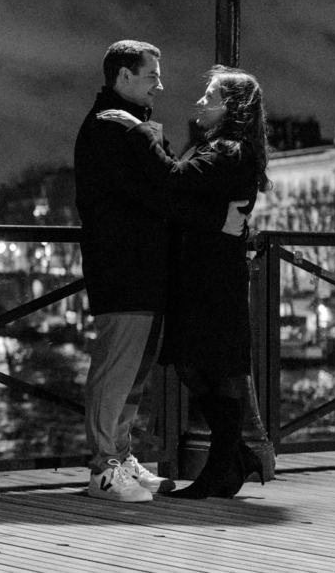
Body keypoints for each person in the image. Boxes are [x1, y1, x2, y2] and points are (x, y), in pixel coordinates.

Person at [74, 40, 244, 504]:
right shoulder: (114, 128)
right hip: (125, 268)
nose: (161, 84)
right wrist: (217, 221)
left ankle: (120, 456)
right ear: (123, 77)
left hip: (142, 268)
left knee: (132, 372)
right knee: (117, 370)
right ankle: (103, 469)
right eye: (152, 75)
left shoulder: (125, 125)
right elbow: (160, 190)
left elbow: (161, 187)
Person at [100, 64, 271, 499]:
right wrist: (219, 220)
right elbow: (179, 193)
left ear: (231, 107)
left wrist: (140, 132)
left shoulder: (232, 150)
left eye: (209, 95)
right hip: (200, 273)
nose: (199, 101)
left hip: (212, 277)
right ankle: (233, 459)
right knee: (200, 365)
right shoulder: (218, 147)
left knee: (212, 367)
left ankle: (223, 464)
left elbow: (172, 180)